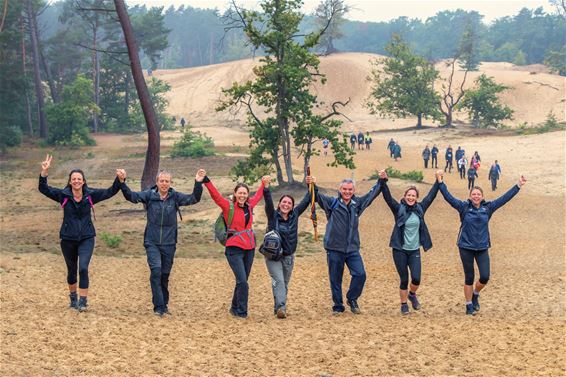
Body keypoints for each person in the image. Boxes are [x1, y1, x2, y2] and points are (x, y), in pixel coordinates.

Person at [38, 154, 122, 311]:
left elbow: (111, 191)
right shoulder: (63, 195)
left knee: (83, 268)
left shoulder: (91, 195)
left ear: (83, 181)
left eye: (79, 179)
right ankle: (73, 298)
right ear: (70, 181)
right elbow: (43, 188)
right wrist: (45, 172)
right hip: (67, 238)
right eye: (73, 179)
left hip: (87, 237)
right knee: (71, 270)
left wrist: (119, 179)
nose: (76, 181)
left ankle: (83, 301)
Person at [437, 172, 527, 315]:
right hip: (466, 247)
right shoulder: (464, 207)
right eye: (474, 194)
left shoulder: (488, 208)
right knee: (469, 277)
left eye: (479, 194)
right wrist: (440, 182)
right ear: (470, 196)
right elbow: (449, 198)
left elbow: (504, 199)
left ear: (482, 197)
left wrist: (518, 185)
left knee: (485, 276)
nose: (476, 196)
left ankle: (475, 294)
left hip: (482, 247)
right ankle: (468, 305)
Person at [119, 169, 205, 316]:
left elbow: (194, 198)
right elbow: (131, 196)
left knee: (164, 274)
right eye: (162, 181)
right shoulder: (149, 195)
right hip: (152, 242)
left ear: (170, 183)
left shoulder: (175, 197)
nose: (164, 183)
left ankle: (164, 305)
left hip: (169, 242)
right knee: (156, 270)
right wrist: (122, 182)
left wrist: (198, 183)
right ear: (157, 182)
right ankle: (158, 307)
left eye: (167, 181)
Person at [314, 177, 383, 315]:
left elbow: (371, 195)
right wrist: (312, 183)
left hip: (352, 248)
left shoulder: (357, 204)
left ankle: (352, 299)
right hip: (334, 248)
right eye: (344, 189)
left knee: (360, 274)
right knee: (335, 278)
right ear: (340, 189)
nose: (347, 192)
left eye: (350, 189)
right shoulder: (332, 203)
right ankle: (338, 306)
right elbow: (316, 195)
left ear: (354, 190)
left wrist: (381, 182)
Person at [204, 175, 270, 318]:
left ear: (247, 195)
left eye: (244, 193)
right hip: (234, 248)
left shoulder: (250, 205)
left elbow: (259, 196)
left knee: (242, 281)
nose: (242, 195)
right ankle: (241, 312)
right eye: (240, 193)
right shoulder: (228, 206)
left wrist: (263, 184)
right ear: (235, 194)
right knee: (242, 282)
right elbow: (216, 196)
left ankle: (234, 308)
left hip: (250, 248)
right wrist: (206, 180)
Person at [378, 169, 440, 315]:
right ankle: (404, 304)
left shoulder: (420, 208)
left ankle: (412, 294)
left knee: (416, 279)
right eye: (409, 195)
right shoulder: (398, 209)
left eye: (413, 196)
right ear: (404, 197)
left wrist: (438, 181)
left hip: (414, 250)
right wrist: (383, 181)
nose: (411, 198)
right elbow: (387, 197)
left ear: (417, 198)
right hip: (399, 249)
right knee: (404, 279)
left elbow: (431, 196)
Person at [262, 177, 314, 319]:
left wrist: (311, 185)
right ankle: (281, 308)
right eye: (283, 202)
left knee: (283, 283)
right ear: (279, 204)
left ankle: (277, 306)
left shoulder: (295, 215)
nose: (286, 204)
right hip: (272, 256)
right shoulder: (272, 216)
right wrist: (266, 188)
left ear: (292, 206)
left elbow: (307, 200)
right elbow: (267, 203)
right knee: (278, 280)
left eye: (289, 203)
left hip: (288, 256)